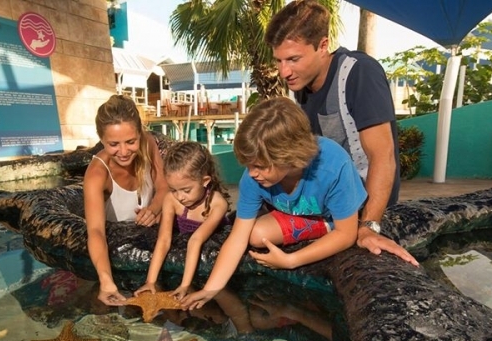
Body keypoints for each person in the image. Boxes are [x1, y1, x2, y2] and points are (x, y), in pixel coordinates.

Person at [181, 97, 417, 310]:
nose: (252, 173)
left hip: (335, 218)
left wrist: (291, 260)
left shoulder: (332, 166)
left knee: (330, 230)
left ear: (290, 157)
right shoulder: (253, 177)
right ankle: (317, 227)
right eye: (248, 165)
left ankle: (325, 226)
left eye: (259, 166)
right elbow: (237, 237)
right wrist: (210, 289)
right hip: (299, 214)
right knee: (255, 235)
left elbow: (347, 235)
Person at [265, 0, 402, 257]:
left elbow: (383, 157)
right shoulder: (301, 87)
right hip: (327, 200)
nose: (284, 72)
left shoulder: (358, 72)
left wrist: (368, 226)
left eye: (293, 59)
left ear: (323, 46)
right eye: (279, 61)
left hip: (361, 206)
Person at [84, 95, 168, 305]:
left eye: (131, 142)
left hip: (152, 248)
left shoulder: (148, 143)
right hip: (117, 254)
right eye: (113, 144)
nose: (123, 152)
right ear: (101, 139)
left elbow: (163, 186)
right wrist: (105, 280)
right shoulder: (96, 174)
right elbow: (95, 231)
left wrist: (153, 209)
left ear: (140, 134)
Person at [134, 141, 231, 300]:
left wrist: (185, 285)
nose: (180, 197)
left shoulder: (218, 204)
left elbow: (196, 240)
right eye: (173, 189)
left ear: (205, 181)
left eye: (186, 190)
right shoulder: (171, 200)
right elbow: (164, 240)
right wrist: (151, 281)